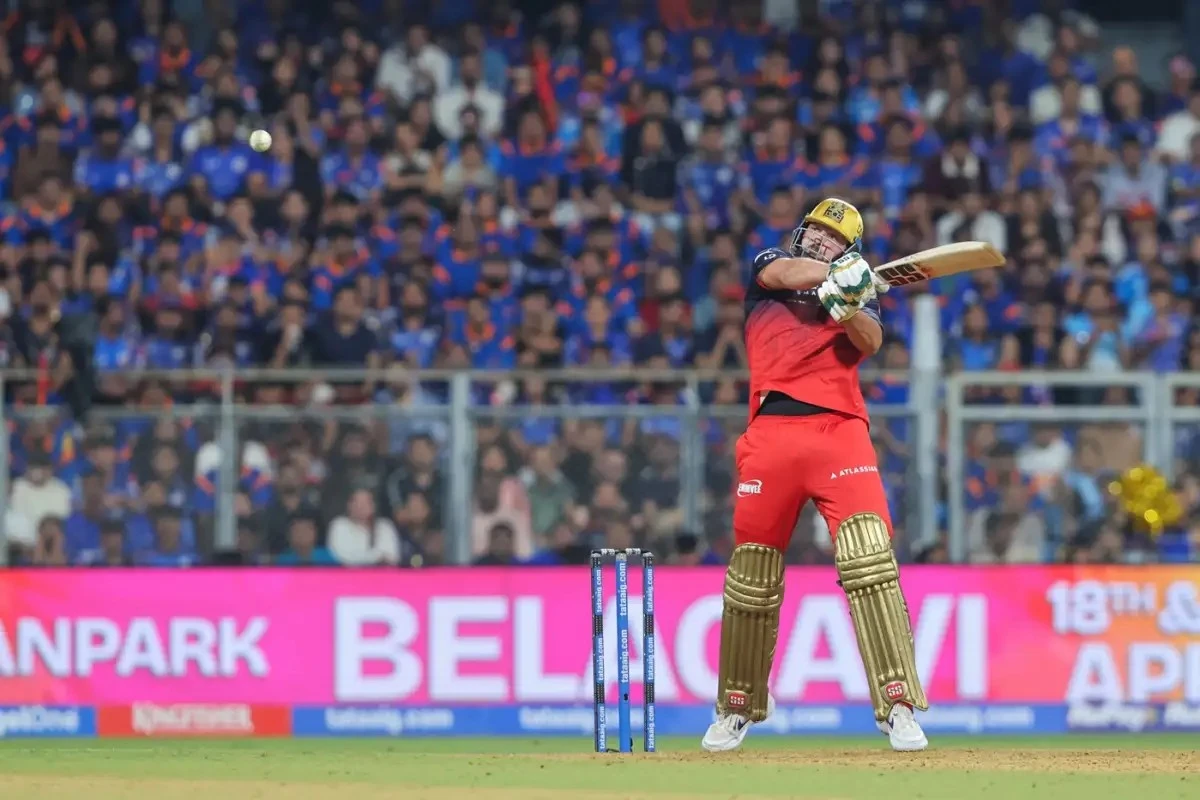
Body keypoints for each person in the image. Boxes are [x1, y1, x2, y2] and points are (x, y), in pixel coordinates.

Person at [701, 198, 928, 753]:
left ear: (850, 249)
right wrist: (837, 275)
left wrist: (849, 303)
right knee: (752, 572)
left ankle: (897, 704)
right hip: (770, 434)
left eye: (836, 240)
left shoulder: (859, 290)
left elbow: (870, 343)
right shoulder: (772, 264)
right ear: (803, 233)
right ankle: (737, 704)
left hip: (839, 431)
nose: (824, 241)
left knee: (869, 558)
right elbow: (783, 274)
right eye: (818, 232)